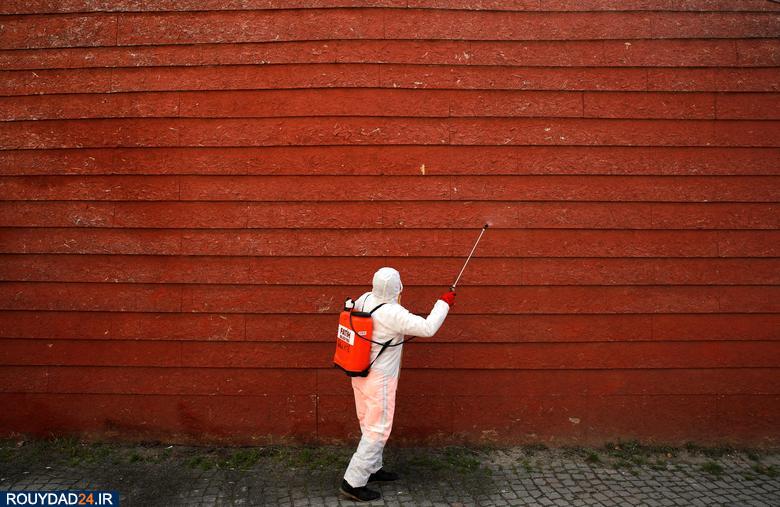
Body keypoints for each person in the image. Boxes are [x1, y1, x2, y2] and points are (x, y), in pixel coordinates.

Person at [339, 267, 456, 502]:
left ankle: (373, 468)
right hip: (380, 380)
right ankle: (353, 482)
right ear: (398, 288)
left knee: (368, 423)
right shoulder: (394, 313)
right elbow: (427, 328)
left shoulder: (364, 298)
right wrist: (443, 303)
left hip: (359, 372)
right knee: (377, 429)